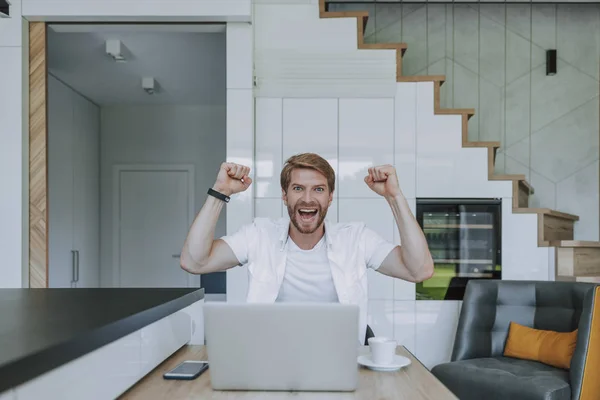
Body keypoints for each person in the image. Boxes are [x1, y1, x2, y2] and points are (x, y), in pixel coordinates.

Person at [180, 153, 434, 344]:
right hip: (269, 356)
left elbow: (419, 270)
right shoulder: (258, 235)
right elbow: (195, 263)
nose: (308, 199)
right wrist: (220, 192)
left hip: (340, 357)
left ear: (330, 197)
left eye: (319, 189)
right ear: (284, 195)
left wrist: (394, 197)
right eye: (298, 188)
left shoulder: (356, 239)